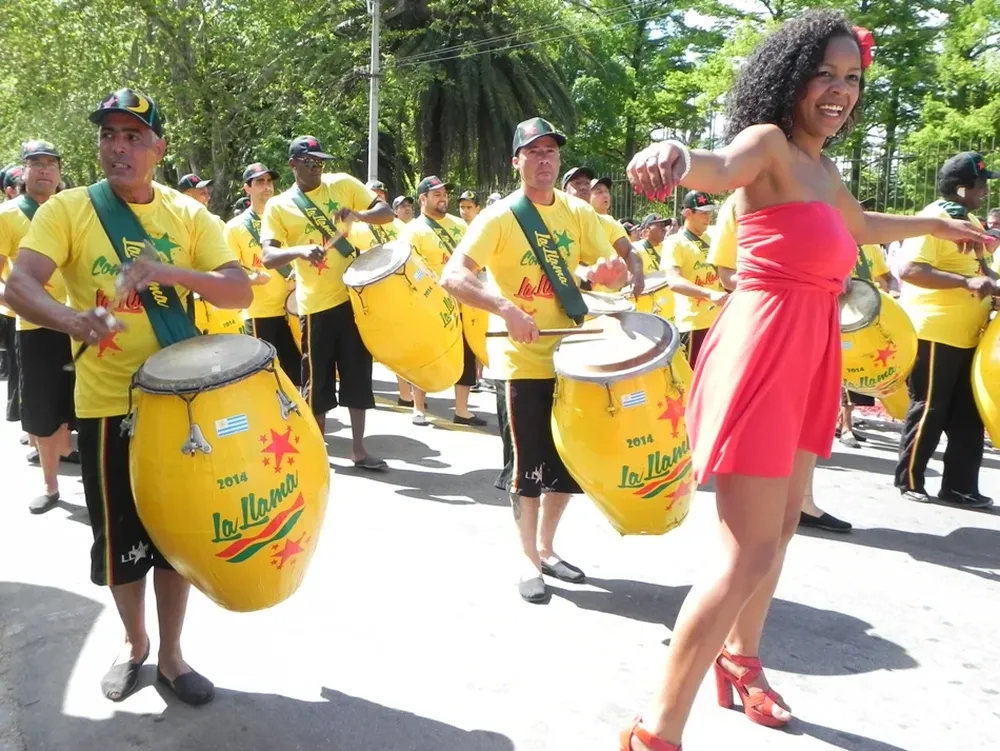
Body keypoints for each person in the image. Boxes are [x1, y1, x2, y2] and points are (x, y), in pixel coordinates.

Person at [620, 14, 990, 749]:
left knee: (782, 529)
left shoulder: (824, 169)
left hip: (811, 353)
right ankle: (655, 731)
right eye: (827, 73)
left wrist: (938, 226)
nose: (841, 91)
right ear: (792, 74)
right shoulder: (770, 146)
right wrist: (668, 151)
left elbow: (858, 224)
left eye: (852, 78)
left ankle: (743, 660)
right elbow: (714, 166)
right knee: (744, 551)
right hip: (763, 350)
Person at [6, 87, 252, 706]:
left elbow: (235, 292)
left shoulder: (190, 216)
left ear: (158, 148)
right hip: (109, 403)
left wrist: (167, 272)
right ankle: (133, 642)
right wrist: (71, 320)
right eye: (109, 136)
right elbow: (18, 286)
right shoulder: (66, 209)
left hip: (180, 406)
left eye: (133, 136)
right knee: (119, 541)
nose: (119, 148)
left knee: (177, 538)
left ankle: (171, 656)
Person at [439, 117, 627, 604]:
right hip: (519, 359)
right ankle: (525, 559)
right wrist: (504, 307)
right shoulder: (500, 217)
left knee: (568, 462)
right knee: (527, 468)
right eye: (534, 152)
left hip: (572, 354)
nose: (545, 160)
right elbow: (453, 276)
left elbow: (607, 271)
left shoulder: (577, 212)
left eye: (551, 152)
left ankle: (547, 548)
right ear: (516, 160)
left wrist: (608, 272)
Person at [707, 193, 852, 535]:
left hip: (813, 324)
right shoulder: (744, 198)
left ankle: (802, 502)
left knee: (804, 421)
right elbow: (727, 272)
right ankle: (758, 518)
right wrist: (792, 279)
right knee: (763, 431)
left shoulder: (821, 189)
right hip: (768, 326)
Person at [260, 135, 394, 469]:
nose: (317, 168)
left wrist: (360, 215)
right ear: (293, 165)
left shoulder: (343, 185)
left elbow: (387, 212)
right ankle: (318, 447)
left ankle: (359, 450)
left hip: (354, 298)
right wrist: (299, 251)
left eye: (320, 162)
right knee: (316, 381)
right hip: (315, 306)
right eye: (309, 162)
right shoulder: (279, 206)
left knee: (357, 375)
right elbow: (268, 255)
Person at [893, 152, 999, 510]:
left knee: (969, 413)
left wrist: (992, 284)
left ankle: (959, 486)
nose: (986, 191)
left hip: (970, 334)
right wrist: (965, 281)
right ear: (962, 187)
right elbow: (909, 270)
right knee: (930, 408)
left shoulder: (969, 221)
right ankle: (909, 478)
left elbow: (982, 271)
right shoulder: (933, 219)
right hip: (935, 331)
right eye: (982, 184)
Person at [0, 140, 77, 513]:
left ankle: (71, 457)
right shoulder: (9, 215)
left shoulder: (76, 209)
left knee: (77, 402)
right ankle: (50, 487)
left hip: (79, 322)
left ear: (60, 171)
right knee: (43, 408)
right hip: (35, 328)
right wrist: (17, 298)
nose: (44, 170)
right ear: (25, 171)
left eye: (51, 163)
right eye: (37, 164)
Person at [400, 176, 484, 426]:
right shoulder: (413, 231)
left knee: (466, 353)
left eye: (444, 194)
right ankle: (418, 407)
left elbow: (476, 257)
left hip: (461, 301)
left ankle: (462, 409)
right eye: (436, 194)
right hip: (429, 303)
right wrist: (429, 286)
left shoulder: (460, 226)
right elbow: (409, 268)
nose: (443, 198)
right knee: (425, 354)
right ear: (423, 199)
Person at [224, 163, 300, 384]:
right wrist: (252, 280)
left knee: (299, 375)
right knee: (264, 375)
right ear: (247, 188)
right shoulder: (235, 227)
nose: (267, 187)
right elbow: (230, 273)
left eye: (269, 181)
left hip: (292, 309)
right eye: (259, 182)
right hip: (260, 312)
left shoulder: (284, 219)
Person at [661, 191, 727, 365]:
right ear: (688, 213)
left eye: (710, 212)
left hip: (721, 320)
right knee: (694, 378)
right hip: (693, 324)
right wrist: (709, 294)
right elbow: (674, 281)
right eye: (703, 213)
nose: (708, 217)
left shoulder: (714, 237)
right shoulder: (674, 242)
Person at [561, 169, 645, 293]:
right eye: (577, 183)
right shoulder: (554, 220)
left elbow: (629, 251)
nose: (583, 187)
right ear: (563, 191)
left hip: (607, 302)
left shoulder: (608, 222)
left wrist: (637, 275)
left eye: (587, 183)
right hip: (568, 301)